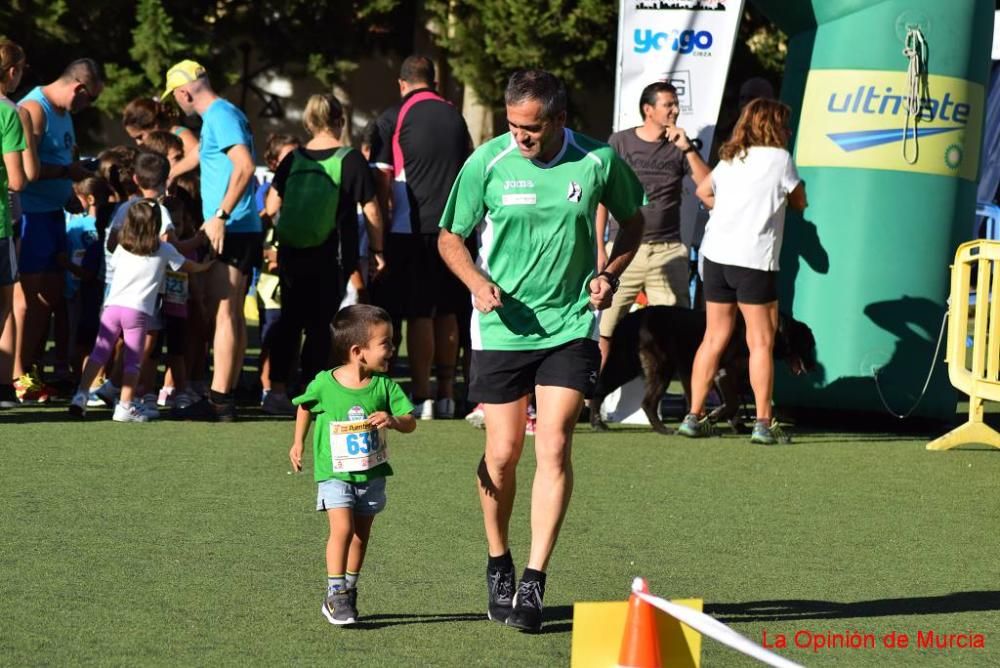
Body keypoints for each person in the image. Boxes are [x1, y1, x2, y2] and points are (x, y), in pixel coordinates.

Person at [437, 69, 646, 632]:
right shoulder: (487, 162)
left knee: (553, 444)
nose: (520, 137)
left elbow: (634, 222)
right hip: (502, 328)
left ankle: (532, 580)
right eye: (513, 126)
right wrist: (477, 284)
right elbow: (450, 237)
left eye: (531, 128)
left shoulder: (598, 160)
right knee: (502, 455)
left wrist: (609, 273)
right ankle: (499, 560)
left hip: (571, 324)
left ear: (558, 119)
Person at [680, 98, 807, 444]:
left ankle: (694, 416)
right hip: (754, 259)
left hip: (716, 256)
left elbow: (703, 190)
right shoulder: (780, 159)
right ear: (772, 126)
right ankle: (764, 423)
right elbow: (799, 203)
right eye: (784, 123)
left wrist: (731, 211)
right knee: (761, 342)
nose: (789, 130)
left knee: (713, 338)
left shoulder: (732, 157)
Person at [288, 304, 416, 625]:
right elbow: (304, 407)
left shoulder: (385, 386)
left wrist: (394, 420)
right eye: (385, 343)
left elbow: (410, 421)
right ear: (359, 351)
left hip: (372, 475)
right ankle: (335, 594)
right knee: (342, 529)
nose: (392, 349)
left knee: (361, 536)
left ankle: (349, 587)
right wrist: (298, 442)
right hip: (335, 474)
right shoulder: (325, 384)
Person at [264, 94, 384, 415]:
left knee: (289, 321)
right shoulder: (350, 159)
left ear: (308, 121)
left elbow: (272, 206)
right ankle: (311, 391)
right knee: (320, 324)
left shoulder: (294, 158)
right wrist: (377, 249)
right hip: (332, 253)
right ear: (340, 121)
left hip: (291, 252)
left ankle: (275, 391)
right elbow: (371, 209)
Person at [370, 54, 472, 420]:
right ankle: (447, 395)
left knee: (419, 314)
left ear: (402, 83)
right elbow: (470, 170)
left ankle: (422, 396)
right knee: (447, 311)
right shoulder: (456, 116)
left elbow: (380, 182)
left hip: (409, 231)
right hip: (455, 228)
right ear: (434, 81)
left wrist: (377, 239)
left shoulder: (392, 117)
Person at [162, 59, 259, 421]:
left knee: (225, 311)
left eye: (175, 96)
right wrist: (170, 173)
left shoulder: (219, 115)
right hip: (234, 225)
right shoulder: (220, 116)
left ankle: (219, 400)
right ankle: (224, 394)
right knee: (228, 311)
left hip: (231, 226)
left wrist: (219, 215)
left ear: (184, 91)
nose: (176, 103)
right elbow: (203, 155)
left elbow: (245, 166)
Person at [594, 82, 710, 365]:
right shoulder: (620, 142)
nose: (675, 110)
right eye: (668, 104)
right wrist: (600, 247)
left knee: (679, 331)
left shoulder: (680, 146)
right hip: (624, 250)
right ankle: (591, 400)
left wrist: (688, 149)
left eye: (675, 104)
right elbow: (602, 198)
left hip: (668, 250)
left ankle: (688, 402)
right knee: (604, 328)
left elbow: (710, 189)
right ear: (648, 109)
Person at [69, 199, 212, 421]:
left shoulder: (123, 248)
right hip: (137, 313)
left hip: (111, 308)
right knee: (133, 360)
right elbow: (186, 265)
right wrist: (205, 266)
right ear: (156, 226)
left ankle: (81, 395)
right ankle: (125, 406)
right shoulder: (164, 249)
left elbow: (114, 267)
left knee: (99, 353)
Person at [14, 58, 102, 401]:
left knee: (48, 299)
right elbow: (26, 168)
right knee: (26, 299)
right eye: (89, 99)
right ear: (78, 88)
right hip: (30, 216)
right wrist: (70, 174)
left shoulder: (63, 113)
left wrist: (68, 193)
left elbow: (64, 161)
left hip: (52, 215)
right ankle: (15, 374)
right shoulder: (34, 108)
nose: (86, 107)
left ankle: (30, 370)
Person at [0, 40, 37, 407]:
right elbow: (18, 179)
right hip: (0, 224)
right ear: (12, 73)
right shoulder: (8, 112)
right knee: (4, 307)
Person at [255, 133, 299, 411]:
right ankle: (267, 387)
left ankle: (287, 385)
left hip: (292, 278)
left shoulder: (302, 191)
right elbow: (259, 229)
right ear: (272, 163)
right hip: (270, 285)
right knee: (271, 336)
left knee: (292, 336)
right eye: (287, 157)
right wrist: (269, 254)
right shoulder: (265, 193)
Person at [121, 97, 199, 182]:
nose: (138, 143)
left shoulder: (182, 135)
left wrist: (173, 172)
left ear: (154, 125)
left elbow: (202, 157)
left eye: (140, 136)